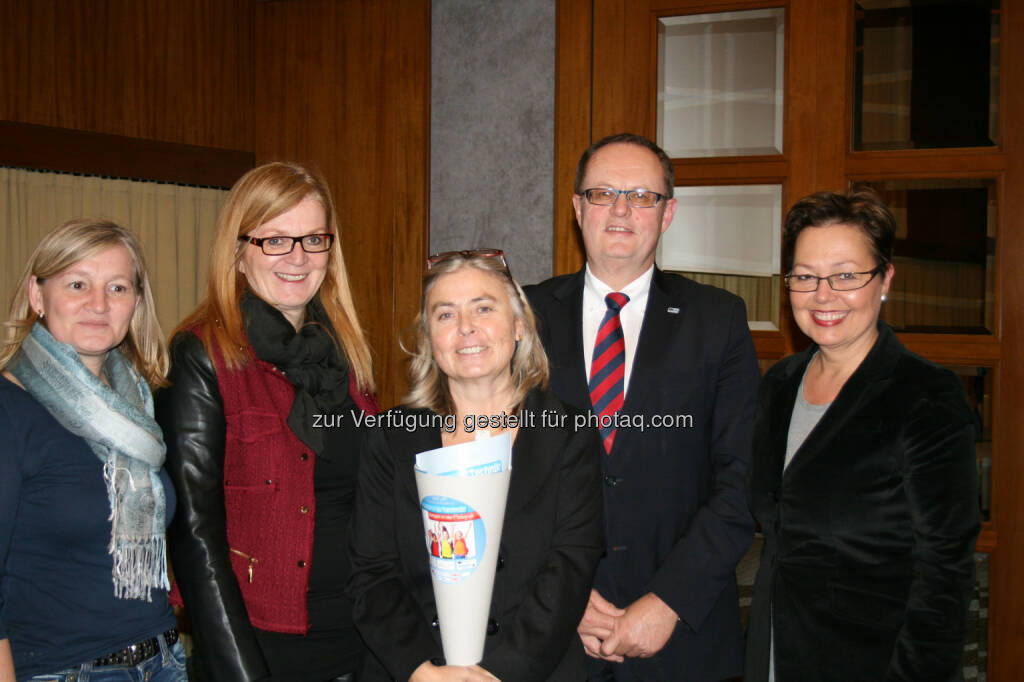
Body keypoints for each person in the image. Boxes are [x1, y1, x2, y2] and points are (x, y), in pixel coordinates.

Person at [525, 133, 760, 681]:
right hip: (549, 638)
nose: (622, 209)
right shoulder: (522, 316)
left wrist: (668, 601)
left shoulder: (718, 320)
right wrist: (562, 596)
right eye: (603, 192)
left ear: (668, 212)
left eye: (643, 196)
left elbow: (741, 479)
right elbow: (497, 470)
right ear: (577, 207)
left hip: (682, 640)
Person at [154, 162, 379, 682]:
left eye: (313, 239)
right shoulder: (201, 356)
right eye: (275, 240)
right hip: (261, 653)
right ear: (237, 252)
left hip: (361, 646)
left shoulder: (347, 357)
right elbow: (193, 535)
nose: (298, 258)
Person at [744, 189, 979, 681]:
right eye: (805, 277)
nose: (822, 295)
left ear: (885, 278)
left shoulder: (926, 396)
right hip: (775, 650)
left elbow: (945, 573)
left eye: (846, 275)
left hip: (875, 663)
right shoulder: (780, 385)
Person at [348, 250, 605, 681]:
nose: (466, 327)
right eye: (445, 315)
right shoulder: (390, 437)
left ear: (520, 325)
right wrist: (421, 670)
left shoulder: (569, 432)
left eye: (484, 308)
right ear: (429, 337)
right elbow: (371, 575)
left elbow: (569, 572)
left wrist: (501, 674)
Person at [0, 219, 185, 681]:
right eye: (77, 284)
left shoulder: (138, 407)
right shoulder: (8, 408)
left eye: (117, 287)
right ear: (37, 296)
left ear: (136, 303)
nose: (98, 304)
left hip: (164, 660)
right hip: (65, 670)